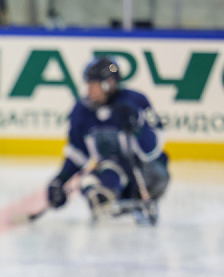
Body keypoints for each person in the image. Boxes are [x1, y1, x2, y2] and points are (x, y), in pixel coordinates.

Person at [46, 56, 169, 222]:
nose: (89, 89)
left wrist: (138, 128)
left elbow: (152, 151)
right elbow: (78, 155)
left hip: (142, 170)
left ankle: (138, 196)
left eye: (93, 84)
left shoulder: (136, 101)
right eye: (88, 84)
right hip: (110, 172)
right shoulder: (82, 111)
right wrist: (60, 180)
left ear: (109, 83)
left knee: (157, 171)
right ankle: (107, 197)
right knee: (89, 181)